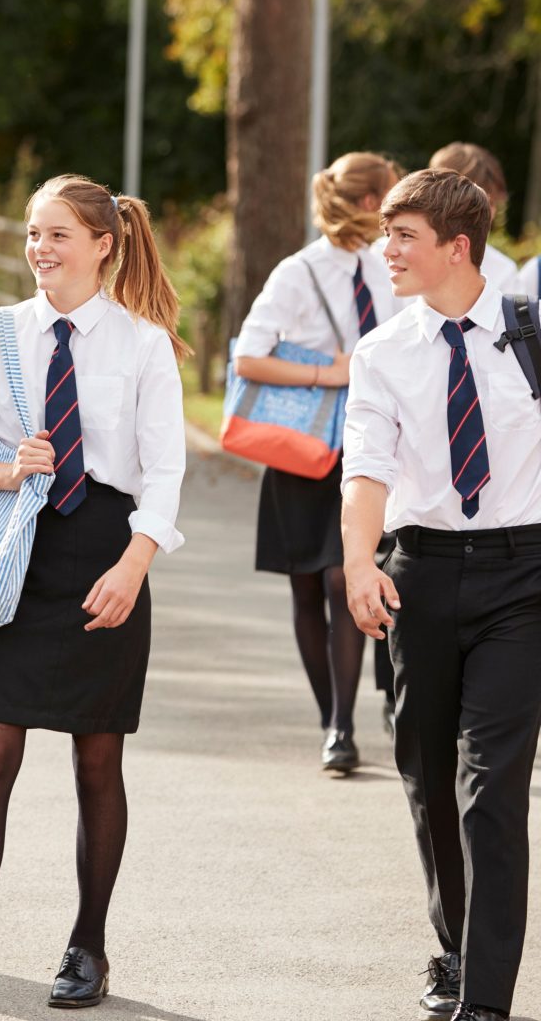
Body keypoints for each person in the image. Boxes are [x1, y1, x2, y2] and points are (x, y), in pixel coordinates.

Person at [0, 175, 186, 1016]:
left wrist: (135, 564)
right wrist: (5, 469)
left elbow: (165, 471)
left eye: (58, 236)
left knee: (97, 757)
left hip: (108, 554)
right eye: (33, 234)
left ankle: (89, 947)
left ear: (104, 244)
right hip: (19, 552)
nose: (40, 250)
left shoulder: (144, 343)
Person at [342, 167, 541, 1021]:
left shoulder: (533, 332)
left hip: (524, 579)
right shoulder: (384, 352)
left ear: (456, 248)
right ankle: (456, 948)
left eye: (403, 236)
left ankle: (487, 1004)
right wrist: (359, 564)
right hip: (416, 575)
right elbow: (366, 471)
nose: (385, 250)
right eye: (387, 234)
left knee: (490, 787)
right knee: (426, 775)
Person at [232, 151, 402, 771]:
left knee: (344, 577)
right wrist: (327, 372)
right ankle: (334, 716)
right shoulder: (298, 273)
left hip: (372, 444)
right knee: (308, 585)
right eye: (389, 196)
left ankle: (344, 723)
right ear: (367, 204)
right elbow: (248, 359)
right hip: (305, 449)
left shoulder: (394, 266)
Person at [429, 142, 518, 293]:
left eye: (491, 203)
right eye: (474, 202)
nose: (488, 213)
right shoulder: (392, 254)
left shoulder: (504, 271)